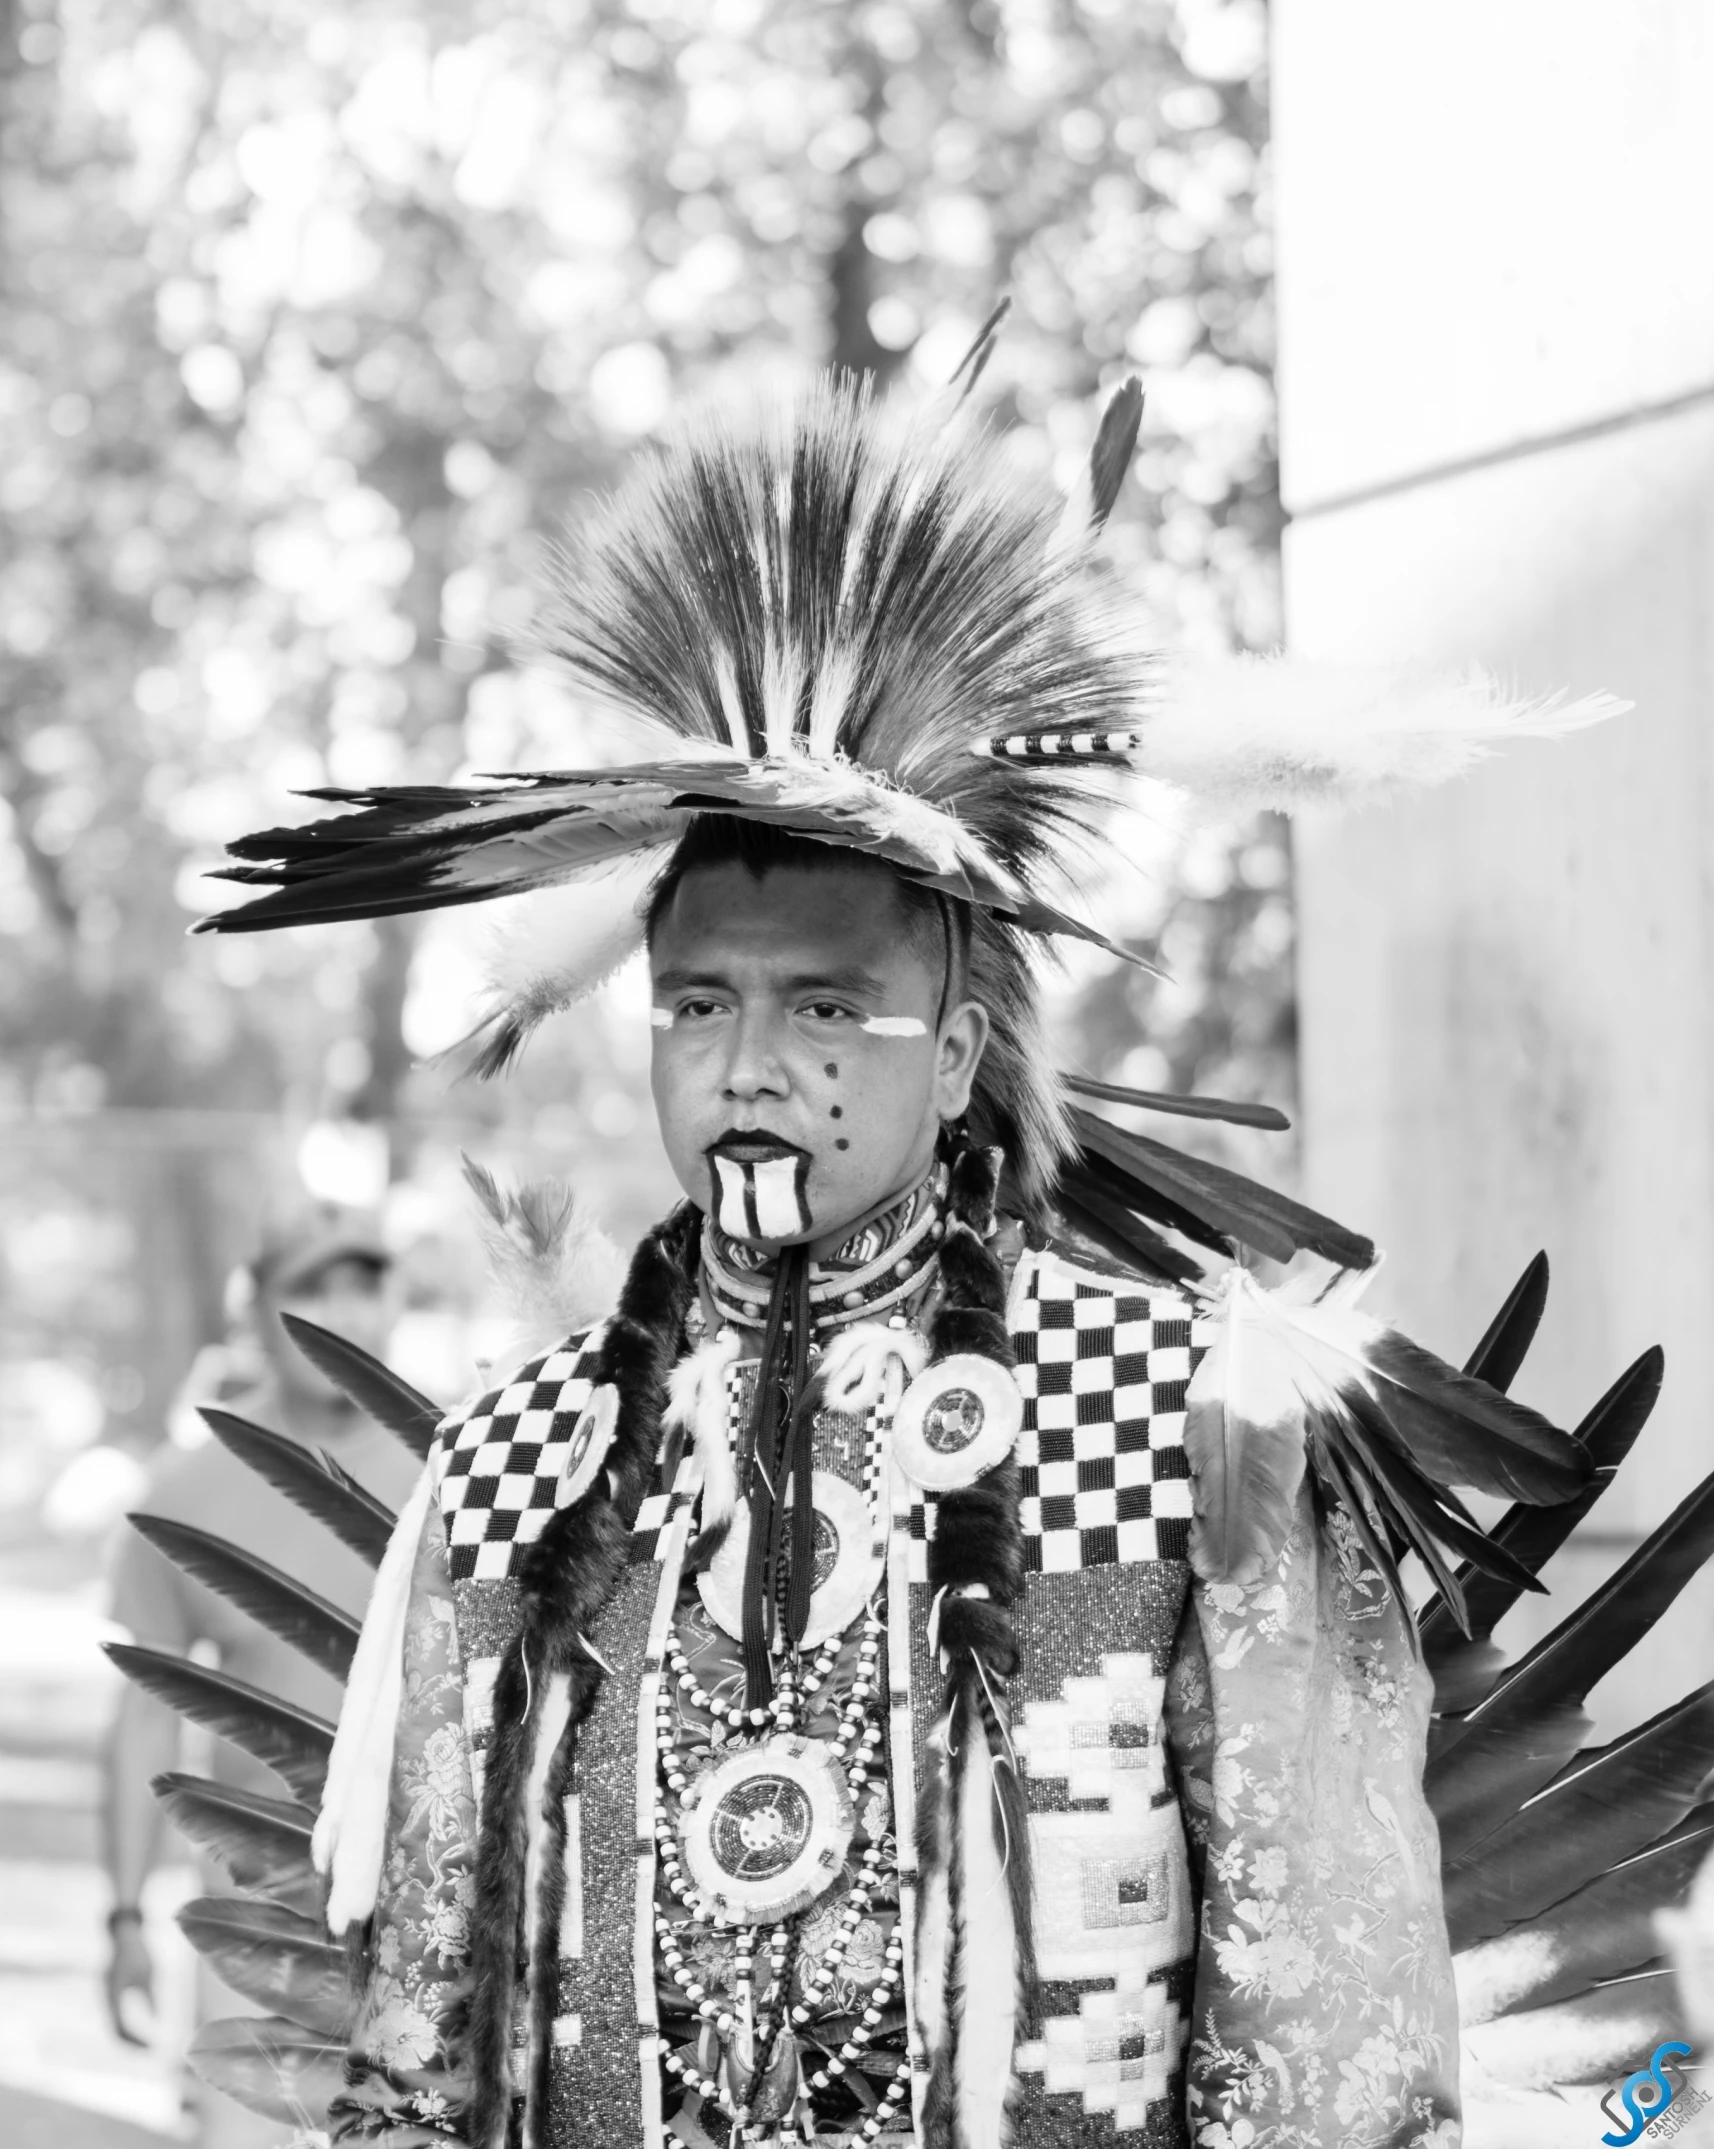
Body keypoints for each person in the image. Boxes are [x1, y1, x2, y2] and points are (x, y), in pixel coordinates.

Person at [112, 365, 1709, 2149]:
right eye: (697, 1001)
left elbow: (1320, 2040)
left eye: (823, 1006)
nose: (747, 1063)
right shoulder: (506, 1471)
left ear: (951, 1055)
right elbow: (423, 2047)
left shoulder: (1189, 1419)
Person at [102, 1203, 419, 2146]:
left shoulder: (465, 1461)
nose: (343, 1311)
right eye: (312, 1287)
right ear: (256, 1312)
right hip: (257, 1918)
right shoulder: (186, 1491)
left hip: (430, 1908)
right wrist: (123, 1918)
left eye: (364, 1284)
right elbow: (142, 1723)